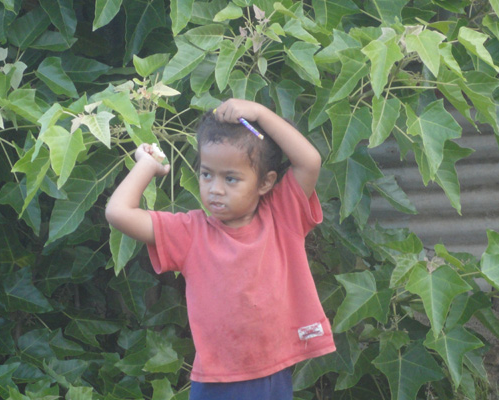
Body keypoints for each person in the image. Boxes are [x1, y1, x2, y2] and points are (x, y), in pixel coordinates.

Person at [105, 98, 336, 400]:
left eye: (230, 178)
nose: (215, 188)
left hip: (274, 372)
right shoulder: (190, 232)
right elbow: (118, 213)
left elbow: (309, 161)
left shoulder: (282, 215)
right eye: (206, 174)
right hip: (218, 382)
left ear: (265, 183)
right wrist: (146, 166)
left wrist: (259, 114)